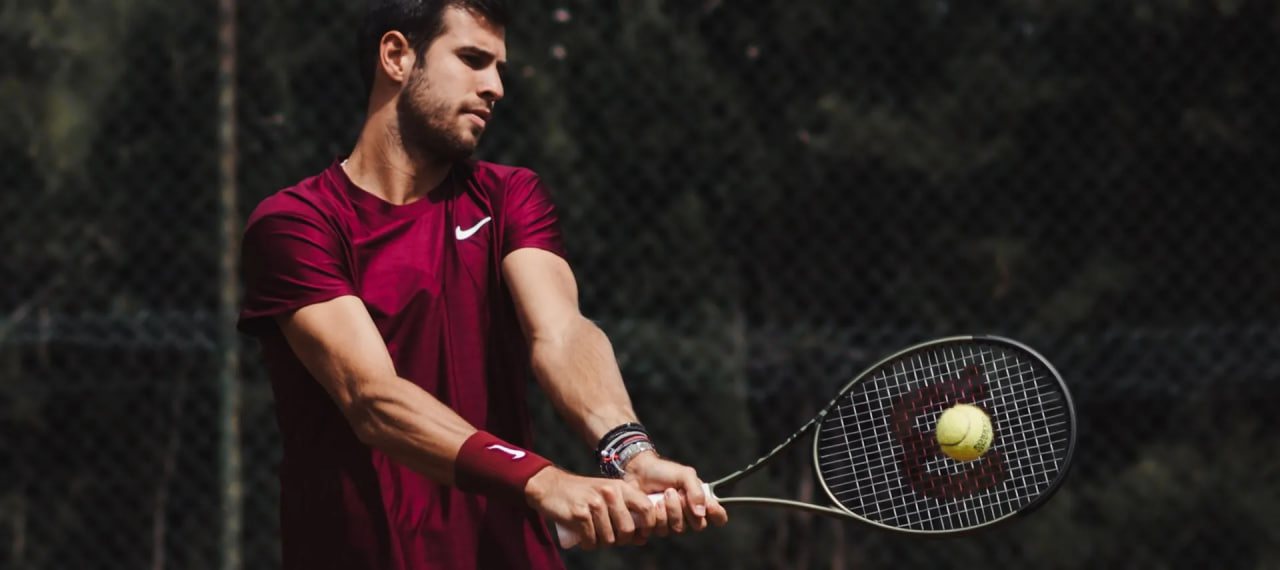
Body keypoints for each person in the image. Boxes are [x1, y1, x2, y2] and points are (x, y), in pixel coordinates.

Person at [236, 1, 728, 568]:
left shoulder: (510, 197)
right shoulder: (296, 224)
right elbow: (373, 398)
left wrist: (629, 452)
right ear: (396, 56)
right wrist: (544, 480)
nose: (495, 86)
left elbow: (562, 333)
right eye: (472, 59)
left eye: (499, 68)